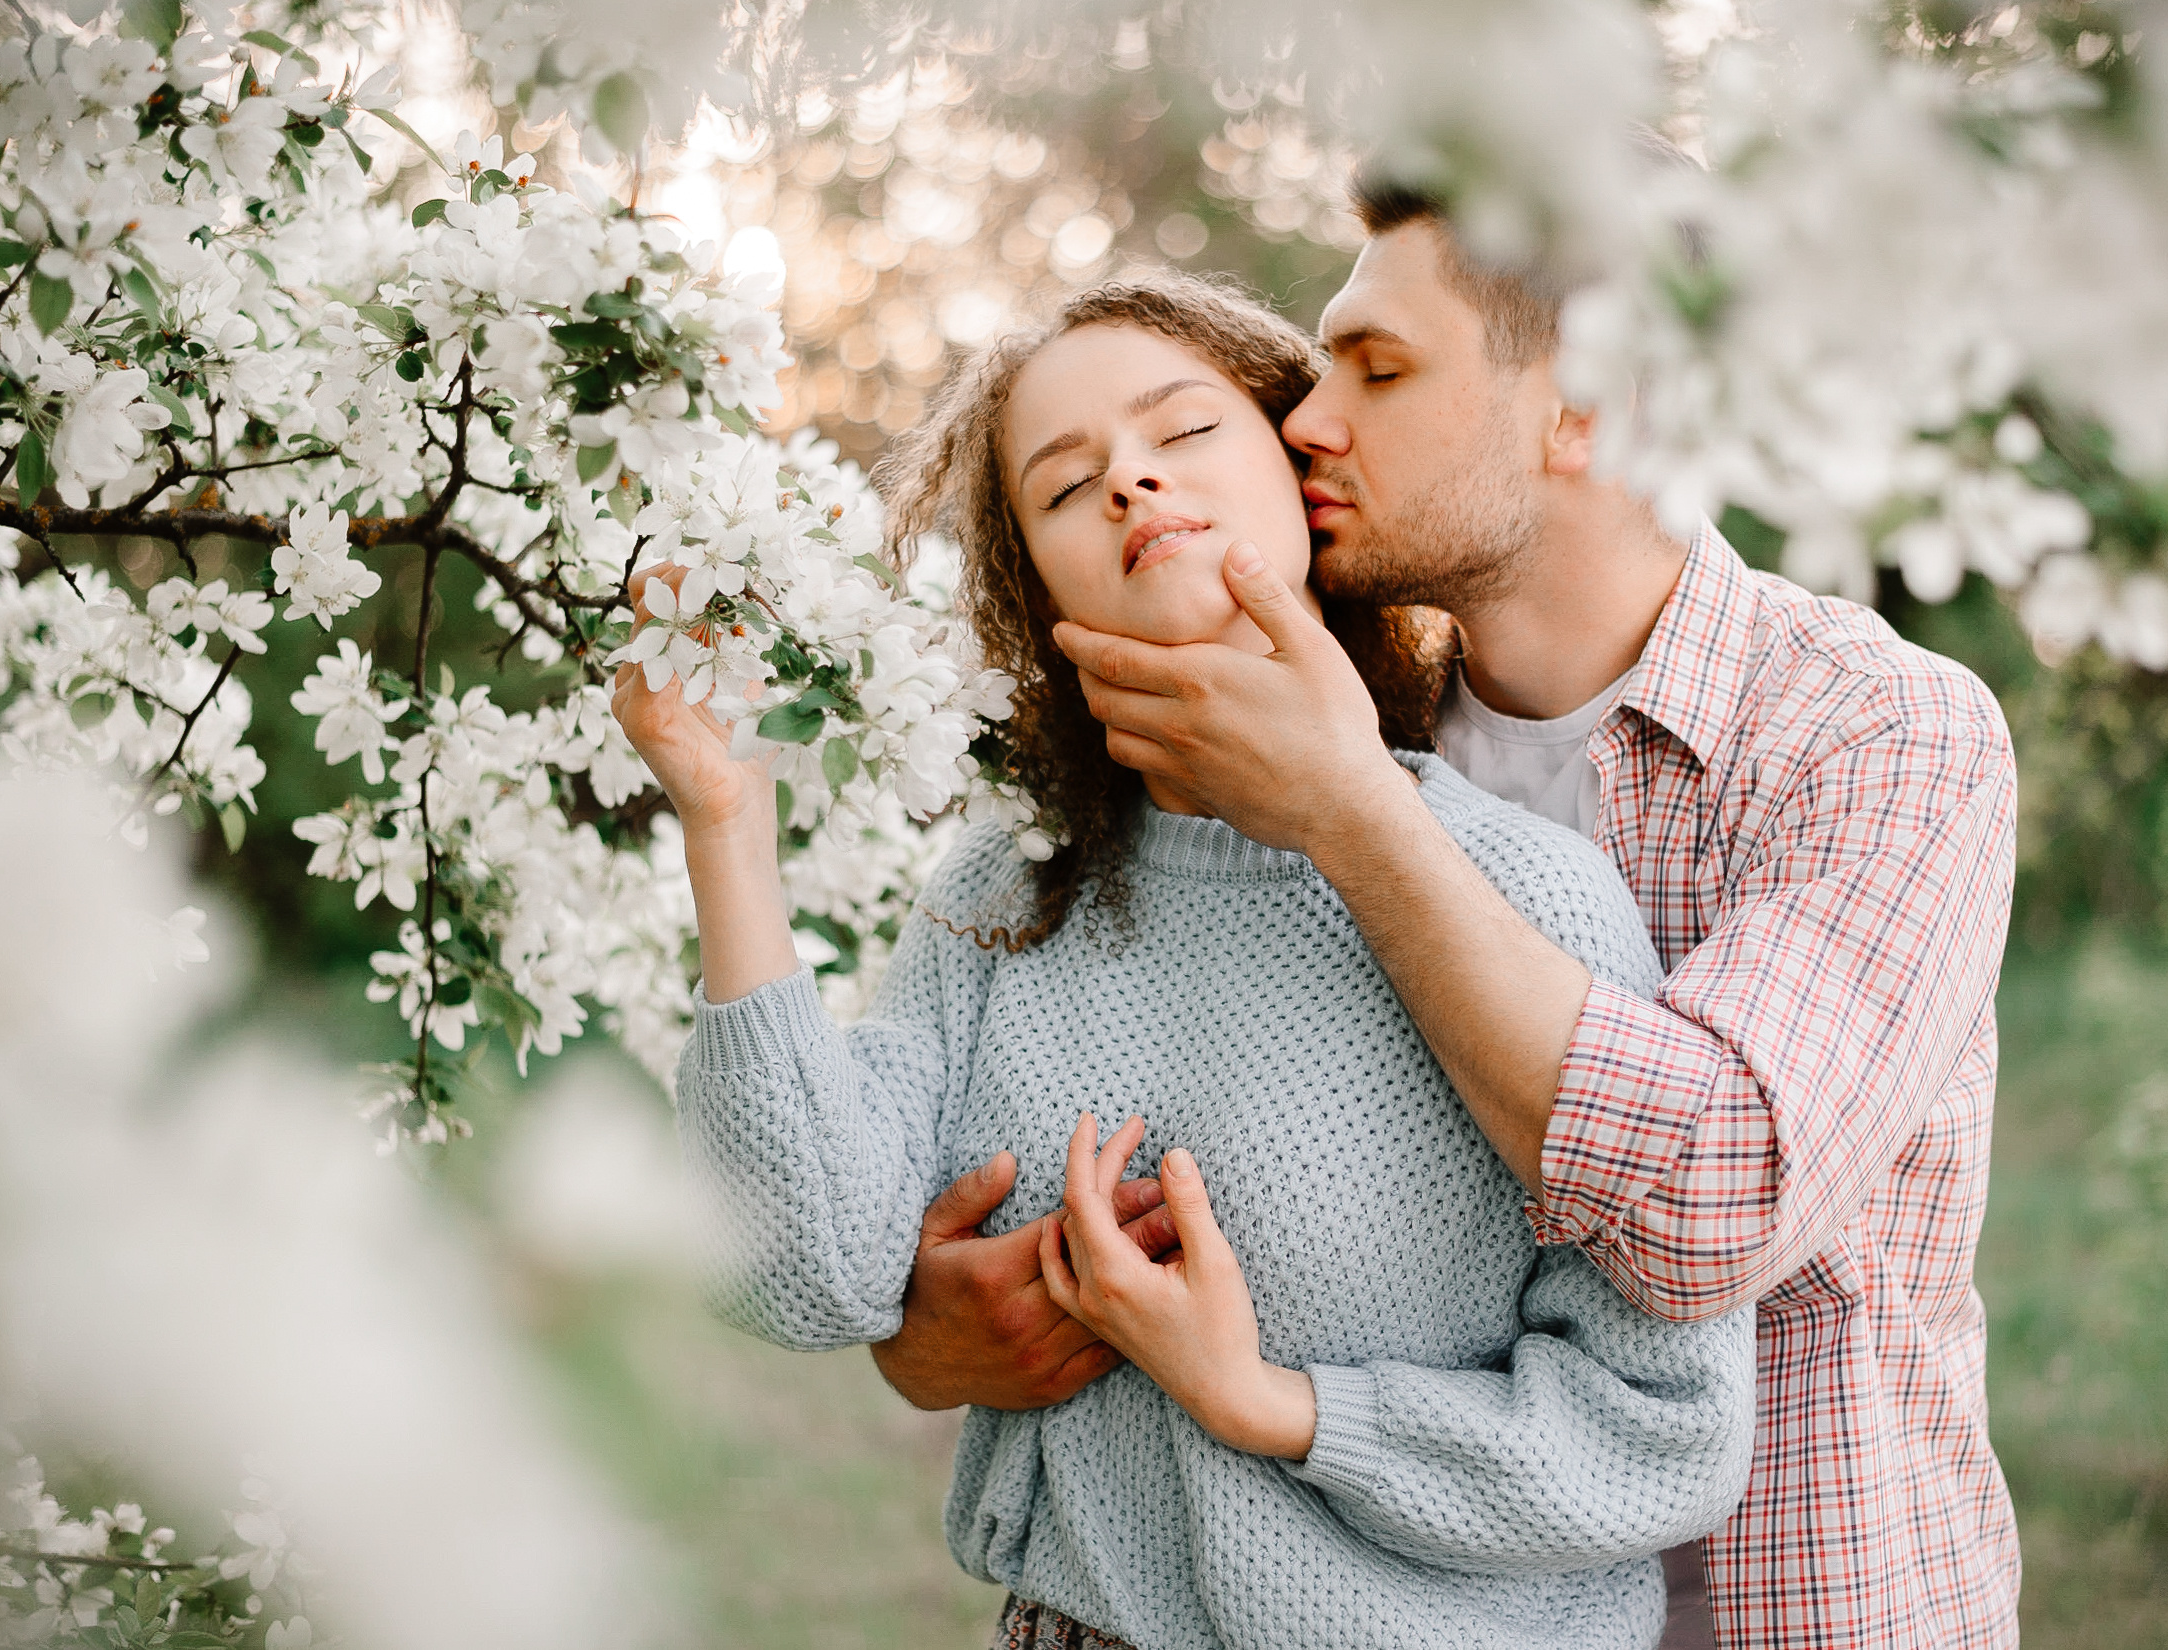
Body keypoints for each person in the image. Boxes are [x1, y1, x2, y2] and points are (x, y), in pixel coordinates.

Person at [882, 184, 2025, 1650]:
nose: (1304, 418)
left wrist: (1351, 815)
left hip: (1798, 1610)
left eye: (1380, 366)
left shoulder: (1878, 735)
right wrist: (937, 1321)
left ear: (1593, 408)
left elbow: (1710, 1204)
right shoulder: (1332, 739)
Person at [619, 273, 1756, 1650]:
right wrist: (724, 822)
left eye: (1184, 431)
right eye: (1063, 484)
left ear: (1301, 467)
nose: (1131, 484)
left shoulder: (1525, 895)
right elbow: (801, 1264)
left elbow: (1660, 1432)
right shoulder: (1001, 898)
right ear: (1034, 592)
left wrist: (1270, 1400)